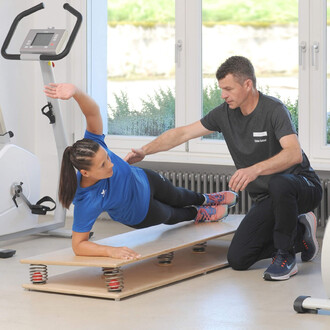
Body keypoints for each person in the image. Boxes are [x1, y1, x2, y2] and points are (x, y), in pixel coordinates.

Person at [125, 56, 322, 281]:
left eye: (228, 88)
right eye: (221, 89)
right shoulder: (223, 114)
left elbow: (293, 153)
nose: (223, 95)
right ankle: (300, 232)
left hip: (301, 187)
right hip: (269, 198)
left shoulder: (273, 109)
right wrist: (145, 150)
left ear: (248, 85)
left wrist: (254, 170)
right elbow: (182, 133)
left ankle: (285, 257)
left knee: (280, 183)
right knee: (238, 259)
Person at [44, 83, 238, 261]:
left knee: (178, 195)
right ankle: (199, 214)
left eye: (108, 158)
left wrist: (76, 92)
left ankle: (206, 198)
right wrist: (110, 251)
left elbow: (92, 113)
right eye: (103, 165)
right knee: (173, 215)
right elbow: (78, 245)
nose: (111, 165)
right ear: (85, 173)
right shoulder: (86, 200)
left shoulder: (94, 145)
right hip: (140, 212)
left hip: (144, 179)